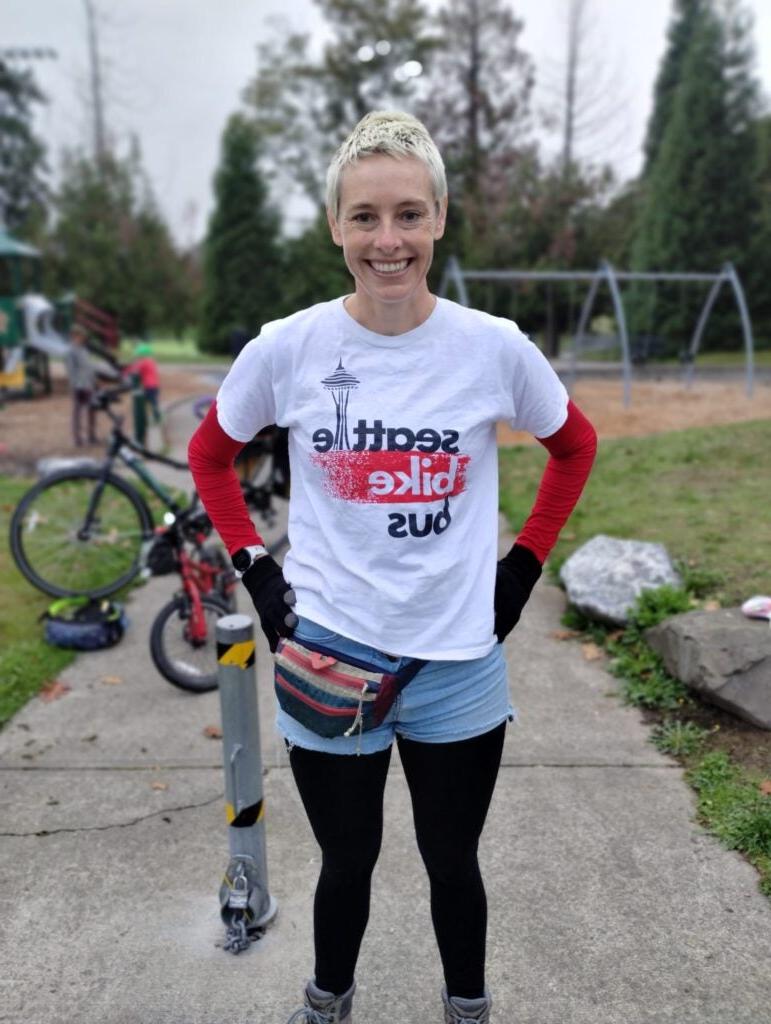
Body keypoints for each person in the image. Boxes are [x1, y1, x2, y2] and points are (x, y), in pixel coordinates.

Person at [188, 111, 597, 1024]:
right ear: (334, 225)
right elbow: (210, 457)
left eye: (408, 215)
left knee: (452, 862)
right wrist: (257, 569)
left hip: (456, 662)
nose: (387, 241)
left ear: (440, 218)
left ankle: (466, 1009)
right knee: (346, 860)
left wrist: (522, 565)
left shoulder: (491, 346)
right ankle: (327, 1002)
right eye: (365, 217)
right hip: (330, 654)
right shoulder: (288, 346)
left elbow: (575, 447)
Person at [64, 323, 99, 446]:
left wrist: (94, 381)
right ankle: (77, 438)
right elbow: (71, 371)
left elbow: (89, 367)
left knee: (92, 409)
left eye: (83, 336)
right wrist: (75, 385)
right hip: (79, 386)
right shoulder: (70, 351)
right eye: (80, 336)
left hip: (88, 384)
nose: (83, 338)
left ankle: (91, 435)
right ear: (74, 336)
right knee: (78, 412)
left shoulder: (84, 350)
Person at [125, 341, 162, 423]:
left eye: (138, 356)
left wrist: (125, 373)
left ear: (141, 355)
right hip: (155, 385)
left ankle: (155, 418)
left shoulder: (143, 362)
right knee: (153, 402)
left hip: (148, 385)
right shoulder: (151, 361)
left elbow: (134, 369)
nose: (138, 357)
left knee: (145, 402)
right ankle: (157, 417)